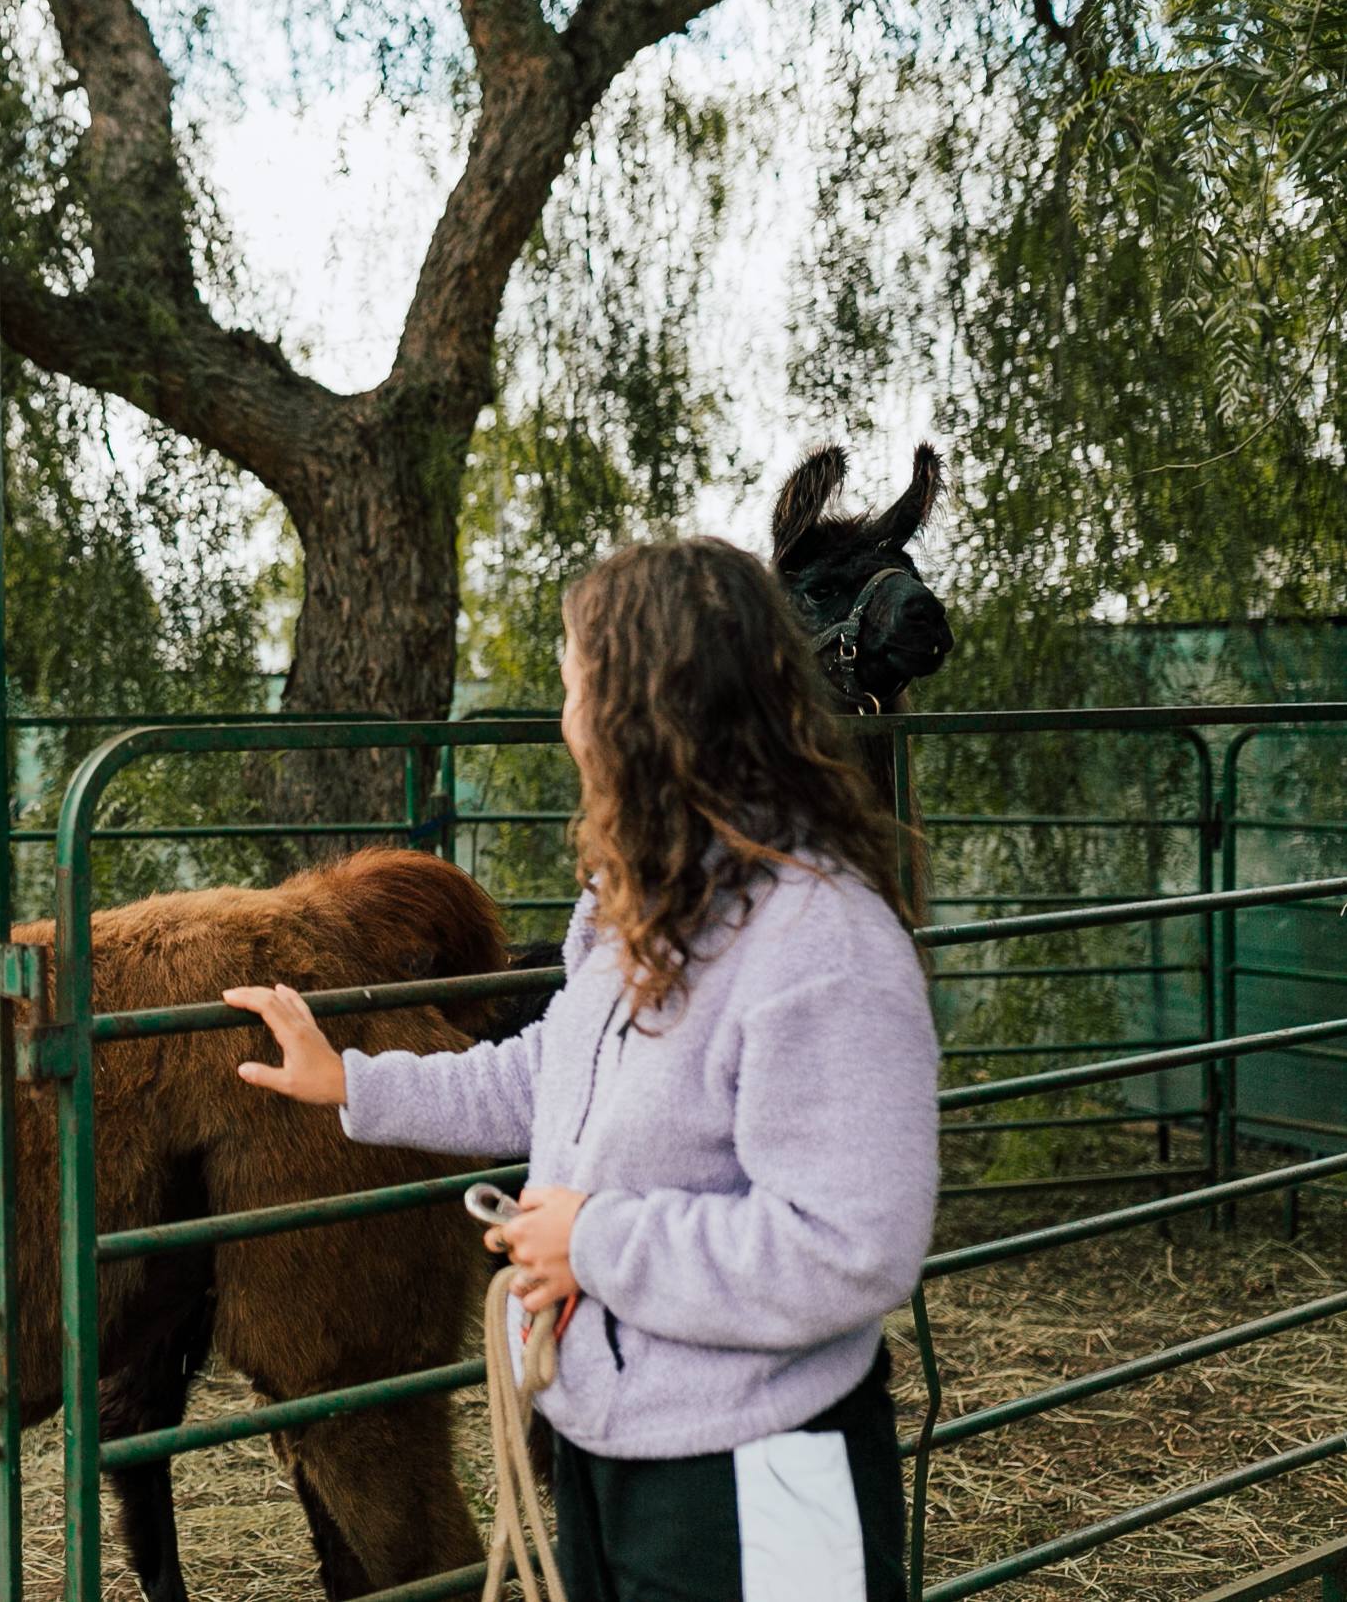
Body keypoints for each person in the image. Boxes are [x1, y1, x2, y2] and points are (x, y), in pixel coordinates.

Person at [228, 535, 938, 1601]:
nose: (563, 719)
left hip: (767, 1457)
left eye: (572, 683)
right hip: (615, 1439)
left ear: (645, 708)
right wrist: (355, 1082)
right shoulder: (638, 908)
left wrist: (592, 1239)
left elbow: (849, 1250)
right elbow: (549, 1073)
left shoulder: (822, 944)